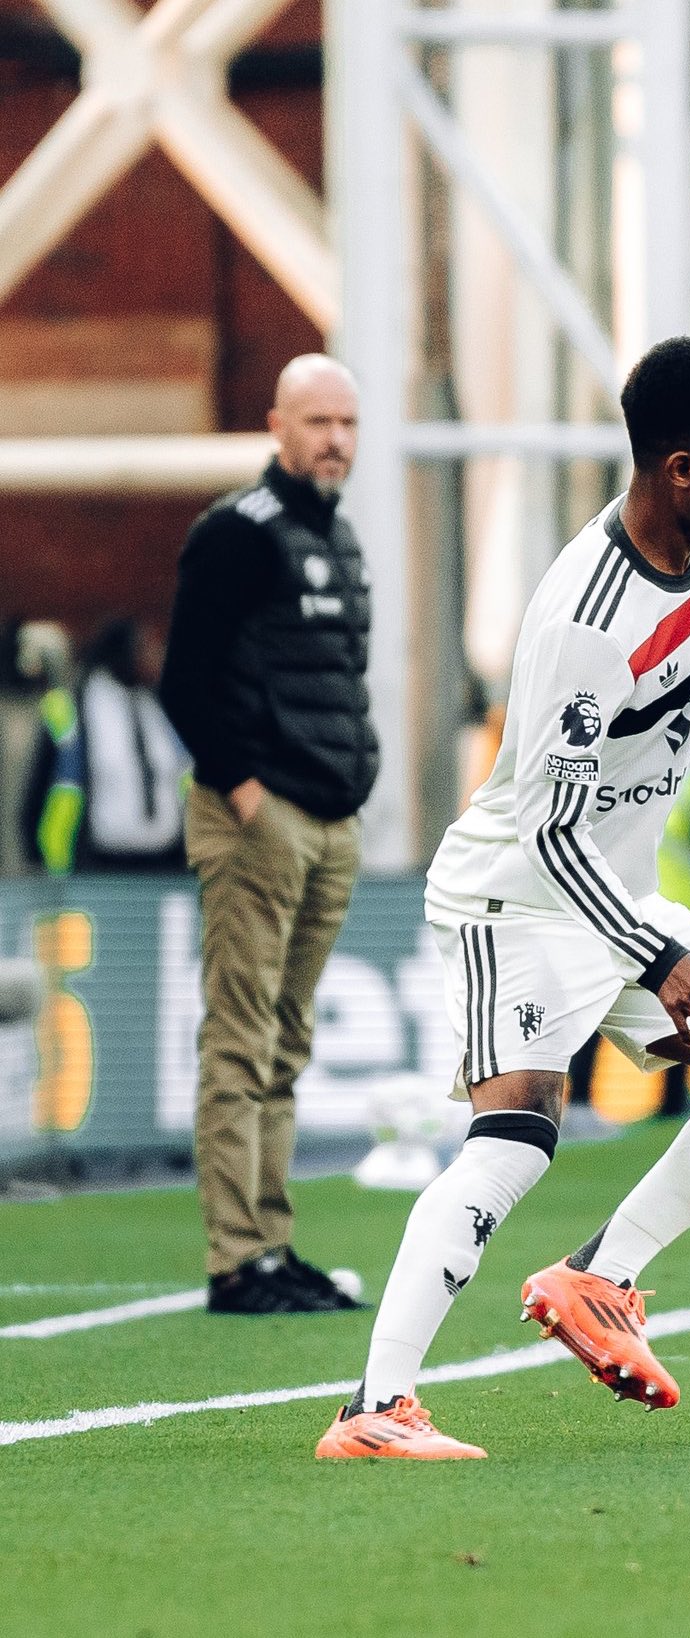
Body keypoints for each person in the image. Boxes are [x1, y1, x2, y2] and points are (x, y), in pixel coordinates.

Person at [316, 339, 690, 1461]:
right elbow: (550, 831)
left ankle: (598, 1279)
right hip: (519, 902)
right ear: (682, 469)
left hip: (611, 902)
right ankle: (375, 1410)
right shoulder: (584, 626)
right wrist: (661, 957)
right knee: (514, 1142)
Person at [159, 355, 376, 1316]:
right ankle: (234, 1257)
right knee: (243, 1041)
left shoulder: (340, 539)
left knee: (285, 1043)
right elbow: (185, 681)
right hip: (263, 817)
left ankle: (273, 1245)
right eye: (317, 421)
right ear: (276, 426)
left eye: (347, 423)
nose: (334, 440)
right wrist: (244, 790)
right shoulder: (236, 535)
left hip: (327, 818)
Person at [26, 620, 188, 874]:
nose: (155, 656)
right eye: (144, 648)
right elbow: (38, 789)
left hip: (166, 862)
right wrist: (36, 857)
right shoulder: (78, 707)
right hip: (102, 863)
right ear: (121, 653)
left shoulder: (159, 706)